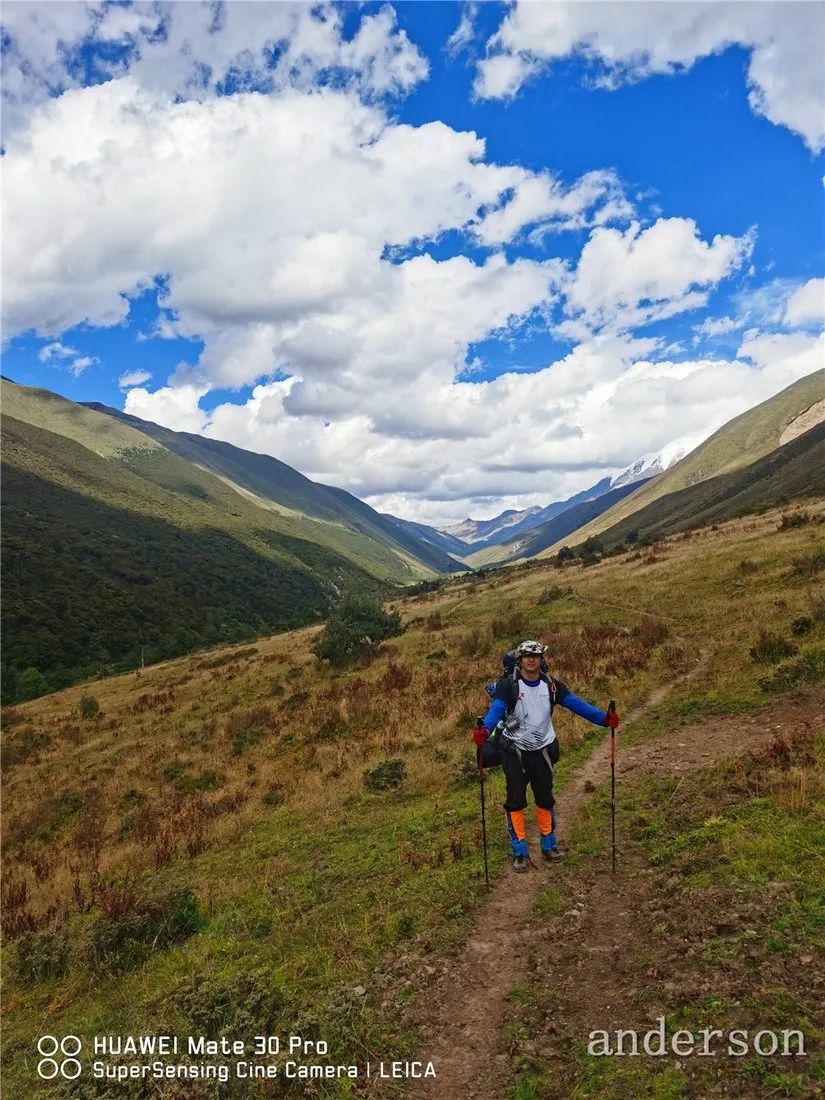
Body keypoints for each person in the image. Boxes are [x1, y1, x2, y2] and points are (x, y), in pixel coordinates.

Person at [476, 639, 619, 872]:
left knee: (545, 799)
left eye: (536, 656)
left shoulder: (552, 686)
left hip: (542, 751)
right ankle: (520, 852)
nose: (531, 660)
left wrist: (603, 719)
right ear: (520, 660)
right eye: (527, 656)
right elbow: (496, 710)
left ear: (541, 659)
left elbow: (576, 704)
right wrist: (484, 730)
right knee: (515, 802)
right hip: (515, 752)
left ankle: (549, 845)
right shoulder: (508, 686)